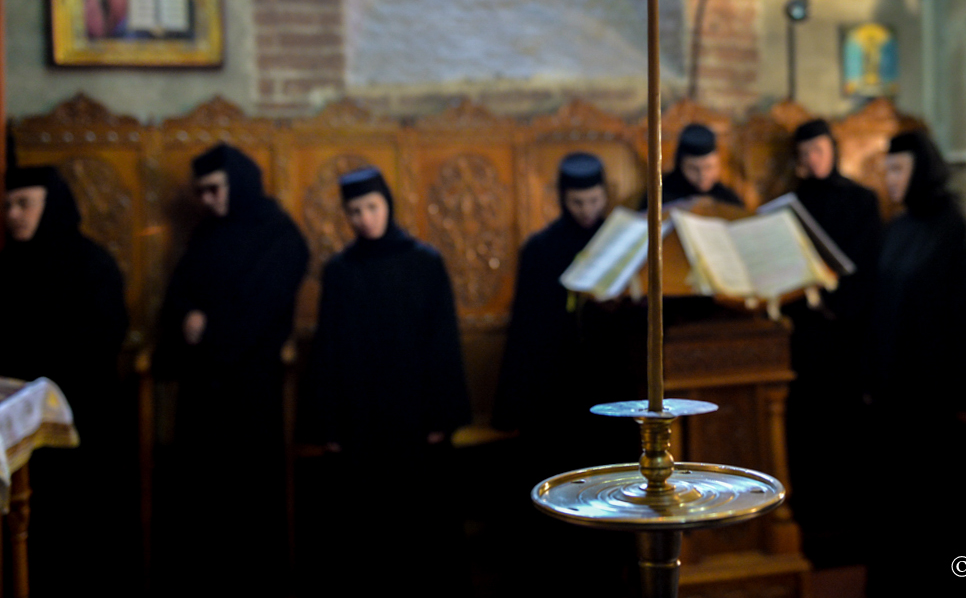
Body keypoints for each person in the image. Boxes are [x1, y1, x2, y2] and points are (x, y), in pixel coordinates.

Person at [307, 166, 472, 595]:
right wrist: (330, 427)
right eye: (355, 211)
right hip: (361, 423)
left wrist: (442, 415)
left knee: (423, 531)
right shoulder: (340, 271)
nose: (365, 218)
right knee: (366, 535)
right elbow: (328, 351)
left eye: (372, 207)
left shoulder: (424, 261)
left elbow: (443, 344)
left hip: (416, 420)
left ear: (388, 204)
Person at [154, 143, 309, 597]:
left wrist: (211, 326)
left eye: (215, 189)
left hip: (250, 388)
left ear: (238, 182)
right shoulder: (204, 235)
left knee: (249, 501)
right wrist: (186, 316)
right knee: (202, 500)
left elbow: (263, 305)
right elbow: (178, 292)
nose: (207, 200)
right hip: (203, 390)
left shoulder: (278, 233)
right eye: (200, 192)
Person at [491, 152, 639, 598]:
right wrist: (512, 404)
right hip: (557, 394)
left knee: (614, 487)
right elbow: (526, 328)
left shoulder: (623, 242)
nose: (586, 211)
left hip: (611, 386)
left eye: (593, 200)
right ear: (562, 199)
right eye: (577, 202)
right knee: (563, 492)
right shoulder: (540, 249)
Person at [864, 129, 966, 597]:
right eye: (886, 170)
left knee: (948, 508)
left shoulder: (958, 231)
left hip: (942, 403)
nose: (890, 179)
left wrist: (965, 396)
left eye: (898, 168)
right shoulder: (899, 227)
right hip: (898, 398)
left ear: (923, 168)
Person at [1, 165, 129, 593]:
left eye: (24, 204)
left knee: (76, 531)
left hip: (82, 416)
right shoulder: (7, 265)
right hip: (19, 420)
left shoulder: (92, 263)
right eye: (7, 206)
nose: (13, 214)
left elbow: (102, 337)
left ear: (50, 205)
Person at [783, 119, 882, 562]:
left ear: (833, 150)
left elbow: (867, 263)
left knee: (849, 429)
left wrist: (837, 305)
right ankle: (814, 525)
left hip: (850, 335)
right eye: (805, 154)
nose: (812, 160)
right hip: (805, 336)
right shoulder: (791, 205)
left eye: (819, 150)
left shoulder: (861, 200)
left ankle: (854, 529)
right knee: (809, 430)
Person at [641, 122, 743, 208]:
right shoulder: (659, 195)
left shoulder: (726, 197)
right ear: (681, 166)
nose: (702, 175)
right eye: (694, 169)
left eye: (709, 167)